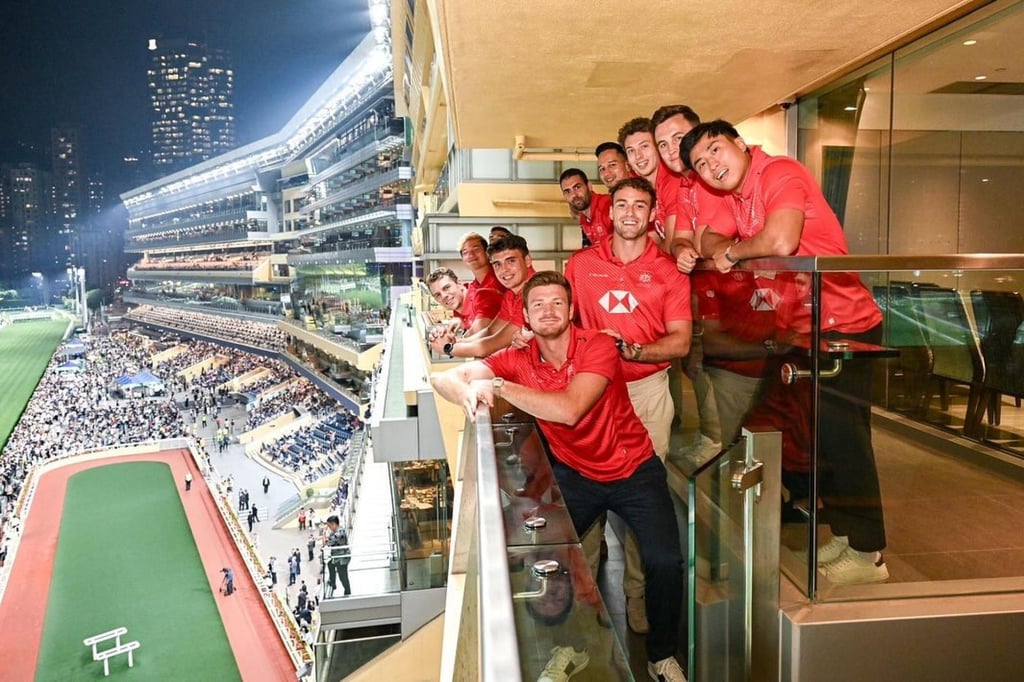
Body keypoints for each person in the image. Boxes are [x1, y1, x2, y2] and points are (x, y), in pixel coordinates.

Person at [431, 270, 687, 682]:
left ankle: (661, 656)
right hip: (576, 473)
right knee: (546, 558)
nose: (548, 311)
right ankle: (571, 647)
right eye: (538, 305)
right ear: (526, 319)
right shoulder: (517, 358)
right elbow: (442, 377)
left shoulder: (598, 345)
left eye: (556, 302)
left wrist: (499, 386)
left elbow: (570, 409)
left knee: (665, 560)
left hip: (633, 469)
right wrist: (466, 391)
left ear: (571, 310)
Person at [682, 119, 888, 585]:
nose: (711, 165)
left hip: (843, 327)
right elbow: (704, 241)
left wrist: (735, 253)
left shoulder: (779, 173)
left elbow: (780, 241)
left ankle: (869, 554)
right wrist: (731, 245)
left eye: (715, 150)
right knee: (817, 439)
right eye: (700, 164)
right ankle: (845, 531)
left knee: (846, 443)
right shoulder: (737, 195)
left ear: (739, 143)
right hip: (800, 331)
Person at [564, 176, 692, 634]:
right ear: (610, 211)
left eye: (641, 205)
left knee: (645, 503)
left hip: (646, 392)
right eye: (622, 204)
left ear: (652, 214)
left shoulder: (670, 272)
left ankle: (637, 595)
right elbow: (565, 325)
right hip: (592, 394)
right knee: (585, 499)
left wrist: (635, 352)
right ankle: (588, 598)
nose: (631, 213)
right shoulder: (579, 265)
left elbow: (680, 341)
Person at [431, 235, 535, 359]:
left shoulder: (534, 292)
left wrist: (449, 348)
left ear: (527, 260)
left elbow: (492, 344)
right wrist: (455, 343)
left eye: (511, 261)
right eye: (497, 264)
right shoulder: (511, 294)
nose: (504, 270)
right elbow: (490, 331)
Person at [618, 117, 675, 246]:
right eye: (631, 151)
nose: (638, 156)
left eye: (644, 146)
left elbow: (672, 246)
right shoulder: (639, 187)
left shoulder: (673, 181)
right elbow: (651, 239)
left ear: (658, 148)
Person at [425, 267, 501, 338]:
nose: (444, 296)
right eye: (438, 295)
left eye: (446, 288)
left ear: (459, 283)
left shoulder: (482, 299)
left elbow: (484, 340)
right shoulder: (458, 308)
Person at [559, 168, 612, 246]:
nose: (574, 195)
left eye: (577, 187)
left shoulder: (607, 206)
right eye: (567, 191)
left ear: (589, 186)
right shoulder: (584, 220)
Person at [324, 514, 351, 597]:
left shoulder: (338, 533)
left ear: (334, 524)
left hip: (341, 558)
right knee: (330, 564)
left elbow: (327, 543)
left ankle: (347, 591)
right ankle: (333, 583)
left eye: (329, 526)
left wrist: (324, 533)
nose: (329, 528)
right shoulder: (339, 530)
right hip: (339, 556)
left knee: (343, 576)